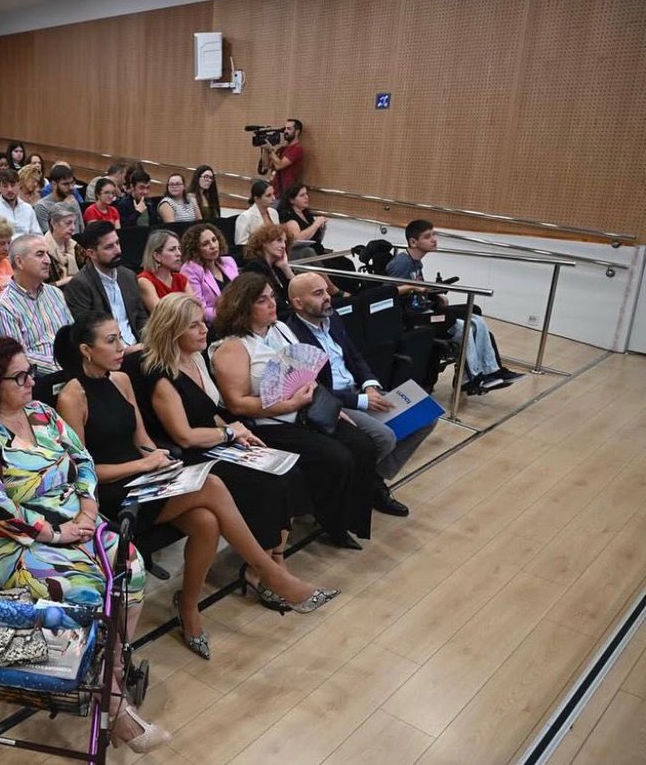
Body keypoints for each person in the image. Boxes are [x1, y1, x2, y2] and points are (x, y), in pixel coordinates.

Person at [59, 311, 338, 651]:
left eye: (120, 337)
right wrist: (144, 463)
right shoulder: (72, 397)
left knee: (207, 522)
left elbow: (142, 440)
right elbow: (83, 472)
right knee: (213, 486)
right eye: (111, 341)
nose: (122, 347)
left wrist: (159, 460)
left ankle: (188, 607)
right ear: (86, 350)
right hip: (114, 494)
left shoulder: (121, 381)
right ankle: (272, 575)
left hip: (146, 477)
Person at [0, 337, 170, 752]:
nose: (32, 381)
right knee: (86, 592)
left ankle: (111, 670)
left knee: (131, 569)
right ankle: (116, 707)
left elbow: (82, 461)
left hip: (77, 521)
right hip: (14, 542)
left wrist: (87, 509)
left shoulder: (42, 414)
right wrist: (53, 534)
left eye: (30, 372)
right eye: (20, 377)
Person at [210, 273, 379, 549]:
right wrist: (289, 405)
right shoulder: (232, 347)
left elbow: (306, 372)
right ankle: (332, 524)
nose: (271, 304)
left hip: (306, 409)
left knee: (363, 445)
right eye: (262, 300)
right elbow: (237, 404)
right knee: (337, 458)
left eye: (272, 297)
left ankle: (352, 517)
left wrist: (331, 407)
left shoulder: (280, 328)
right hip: (270, 422)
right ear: (243, 307)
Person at [287, 273, 435, 513]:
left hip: (359, 390)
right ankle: (361, 483)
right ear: (298, 303)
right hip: (335, 401)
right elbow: (314, 388)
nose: (327, 297)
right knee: (385, 437)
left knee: (425, 417)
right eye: (318, 293)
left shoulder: (332, 318)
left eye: (326, 291)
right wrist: (361, 400)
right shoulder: (291, 336)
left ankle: (373, 479)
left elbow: (354, 356)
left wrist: (369, 384)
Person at [386, 219, 521, 392]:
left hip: (423, 309)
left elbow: (415, 288)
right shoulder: (401, 263)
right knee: (462, 325)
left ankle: (492, 371)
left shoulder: (416, 262)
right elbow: (388, 292)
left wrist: (433, 294)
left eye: (433, 235)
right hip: (413, 317)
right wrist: (413, 287)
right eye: (427, 237)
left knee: (475, 315)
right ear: (413, 242)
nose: (434, 240)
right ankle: (472, 377)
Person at [0, 234, 74, 375]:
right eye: (40, 254)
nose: (48, 261)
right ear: (19, 262)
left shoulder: (55, 293)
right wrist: (64, 368)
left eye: (47, 254)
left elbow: (73, 333)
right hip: (40, 379)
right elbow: (17, 358)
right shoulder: (3, 306)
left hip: (73, 368)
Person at [63, 221, 148, 350]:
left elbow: (141, 317)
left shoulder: (128, 276)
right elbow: (87, 332)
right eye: (109, 247)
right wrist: (123, 351)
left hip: (138, 347)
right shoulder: (80, 285)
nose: (118, 250)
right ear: (91, 253)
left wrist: (150, 342)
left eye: (117, 243)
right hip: (109, 354)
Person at [180, 223, 238, 323]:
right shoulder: (191, 269)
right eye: (205, 244)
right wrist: (230, 315)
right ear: (195, 249)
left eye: (214, 240)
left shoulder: (228, 261)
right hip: (215, 323)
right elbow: (199, 309)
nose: (213, 246)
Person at [241, 223, 296, 314]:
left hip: (286, 311)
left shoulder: (278, 266)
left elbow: (297, 293)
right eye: (279, 240)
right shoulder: (255, 267)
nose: (283, 246)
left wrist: (285, 268)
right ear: (264, 242)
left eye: (285, 242)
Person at [137, 228, 192, 313]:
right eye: (172, 249)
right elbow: (160, 313)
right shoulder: (145, 280)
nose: (179, 254)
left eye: (179, 249)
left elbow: (194, 309)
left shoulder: (181, 279)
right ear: (157, 256)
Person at [0, 168, 42, 237]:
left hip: (28, 243)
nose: (9, 190)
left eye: (13, 185)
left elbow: (38, 235)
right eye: (5, 186)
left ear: (18, 185)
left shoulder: (28, 209)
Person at [278, 182, 328, 254]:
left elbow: (316, 239)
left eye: (306, 194)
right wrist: (316, 224)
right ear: (292, 200)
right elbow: (298, 240)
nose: (306, 197)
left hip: (317, 250)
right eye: (302, 195)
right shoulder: (289, 217)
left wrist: (322, 229)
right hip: (304, 254)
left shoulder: (306, 213)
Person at [260, 118, 304, 198]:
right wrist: (265, 149)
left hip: (286, 193)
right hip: (274, 192)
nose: (285, 131)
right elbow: (266, 165)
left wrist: (271, 149)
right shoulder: (282, 149)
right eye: (285, 129)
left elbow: (279, 165)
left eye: (289, 129)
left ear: (297, 132)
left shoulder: (297, 149)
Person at [34, 164, 83, 234]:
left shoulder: (73, 202)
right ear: (54, 184)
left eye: (72, 183)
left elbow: (81, 230)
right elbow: (49, 235)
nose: (71, 187)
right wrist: (63, 206)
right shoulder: (42, 206)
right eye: (65, 184)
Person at [234, 179, 280, 249]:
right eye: (268, 196)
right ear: (256, 198)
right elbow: (241, 245)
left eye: (273, 194)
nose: (274, 198)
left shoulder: (274, 213)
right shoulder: (245, 217)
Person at [44, 208, 81, 286]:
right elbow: (38, 286)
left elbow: (90, 271)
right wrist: (66, 281)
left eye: (74, 223)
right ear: (54, 224)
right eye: (68, 223)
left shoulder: (74, 246)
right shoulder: (42, 251)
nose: (73, 228)